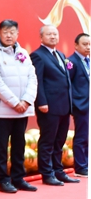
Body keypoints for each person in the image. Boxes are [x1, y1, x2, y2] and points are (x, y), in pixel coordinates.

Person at [0, 20, 37, 193]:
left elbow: (32, 78)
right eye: (5, 32)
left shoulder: (23, 53)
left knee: (19, 144)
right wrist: (14, 102)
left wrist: (26, 101)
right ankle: (3, 180)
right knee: (1, 146)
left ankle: (18, 178)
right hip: (3, 110)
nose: (9, 35)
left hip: (22, 109)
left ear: (17, 34)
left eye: (12, 32)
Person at [31, 24, 78, 185]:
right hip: (49, 106)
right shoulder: (37, 56)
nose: (52, 37)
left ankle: (58, 170)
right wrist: (41, 102)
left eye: (55, 34)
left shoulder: (60, 54)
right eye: (49, 34)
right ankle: (47, 173)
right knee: (48, 140)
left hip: (64, 106)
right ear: (41, 37)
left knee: (59, 141)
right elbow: (37, 81)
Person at [68, 33, 90, 177]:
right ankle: (80, 167)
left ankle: (87, 163)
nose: (88, 47)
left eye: (90, 44)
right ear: (76, 45)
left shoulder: (88, 61)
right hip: (81, 106)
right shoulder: (71, 62)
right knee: (81, 137)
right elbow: (67, 84)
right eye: (85, 44)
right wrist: (74, 104)